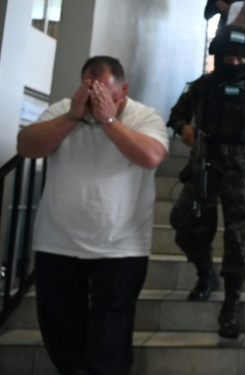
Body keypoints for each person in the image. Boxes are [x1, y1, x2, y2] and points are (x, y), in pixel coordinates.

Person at [17, 56, 169, 375]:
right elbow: (27, 145)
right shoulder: (64, 109)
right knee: (61, 333)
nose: (97, 102)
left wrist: (108, 121)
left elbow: (152, 156)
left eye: (108, 94)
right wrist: (73, 116)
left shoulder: (145, 116)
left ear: (124, 89)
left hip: (121, 246)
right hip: (58, 242)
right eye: (90, 92)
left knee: (110, 342)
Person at [167, 26, 245, 339]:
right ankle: (205, 275)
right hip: (206, 164)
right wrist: (184, 130)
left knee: (237, 239)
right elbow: (176, 115)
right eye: (228, 55)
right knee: (186, 222)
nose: (234, 61)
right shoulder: (200, 86)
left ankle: (231, 303)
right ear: (217, 55)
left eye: (241, 56)